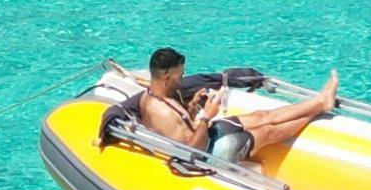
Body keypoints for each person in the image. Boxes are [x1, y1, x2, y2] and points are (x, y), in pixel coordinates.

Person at [119, 45, 340, 167]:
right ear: (166, 75)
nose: (183, 76)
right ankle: (317, 112)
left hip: (203, 136)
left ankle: (320, 102)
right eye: (180, 73)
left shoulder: (166, 92)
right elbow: (190, 151)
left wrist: (194, 105)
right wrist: (207, 116)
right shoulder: (158, 111)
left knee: (263, 115)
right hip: (207, 155)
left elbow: (182, 123)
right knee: (268, 130)